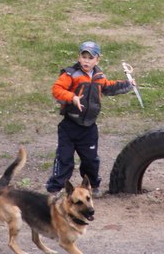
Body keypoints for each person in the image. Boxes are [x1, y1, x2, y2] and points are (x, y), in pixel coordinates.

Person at [46, 40, 133, 195]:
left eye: (90, 57)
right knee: (64, 159)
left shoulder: (99, 76)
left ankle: (92, 186)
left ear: (97, 59)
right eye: (83, 56)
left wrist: (128, 84)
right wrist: (72, 97)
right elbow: (57, 89)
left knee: (91, 160)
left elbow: (109, 86)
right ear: (79, 57)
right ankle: (55, 189)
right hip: (69, 125)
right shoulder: (71, 74)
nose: (86, 60)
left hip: (89, 127)